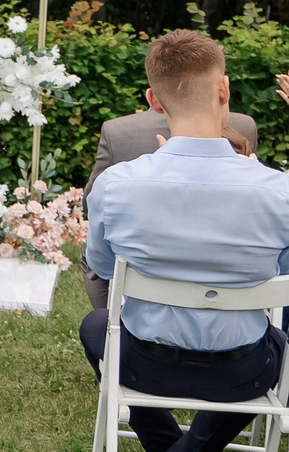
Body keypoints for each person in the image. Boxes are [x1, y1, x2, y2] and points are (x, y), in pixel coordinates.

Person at [76, 32, 289, 452]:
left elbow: (101, 267)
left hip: (144, 363)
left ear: (153, 101)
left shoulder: (116, 185)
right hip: (243, 373)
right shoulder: (277, 191)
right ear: (224, 91)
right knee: (275, 342)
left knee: (97, 327)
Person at [77, 106, 260, 314]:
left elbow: (102, 262)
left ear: (152, 98)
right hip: (245, 335)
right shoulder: (247, 130)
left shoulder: (117, 135)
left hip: (146, 332)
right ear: (223, 90)